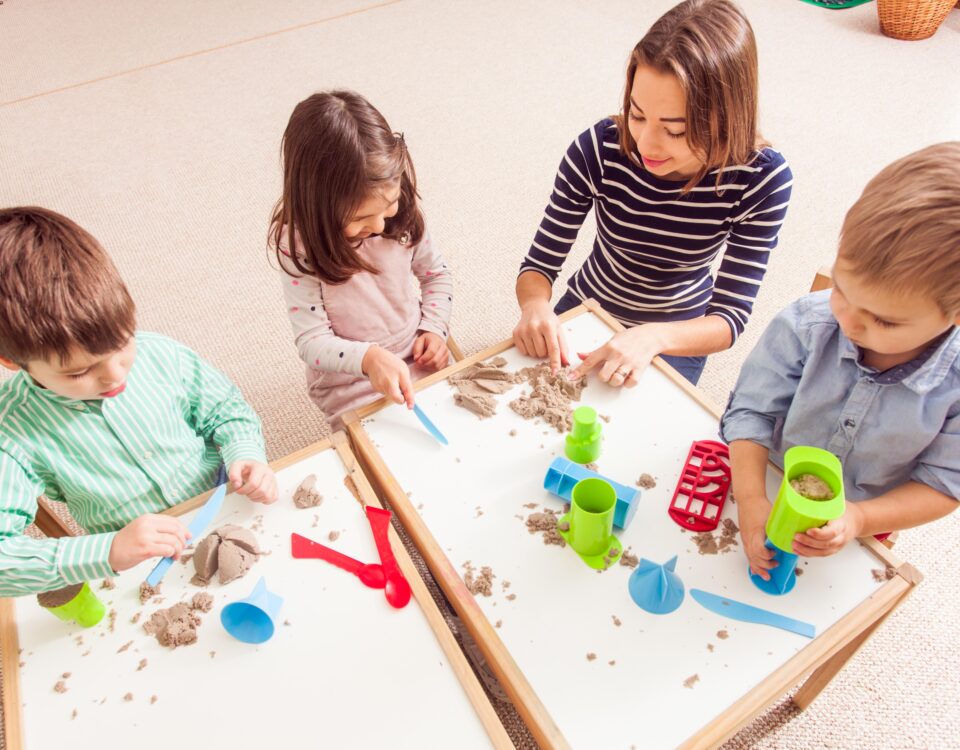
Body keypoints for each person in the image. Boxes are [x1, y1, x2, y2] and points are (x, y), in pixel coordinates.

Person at [0, 208, 277, 597]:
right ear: (13, 362)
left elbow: (225, 409)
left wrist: (245, 451)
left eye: (122, 343)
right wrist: (107, 550)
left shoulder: (160, 354)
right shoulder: (10, 430)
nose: (115, 375)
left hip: (226, 502)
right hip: (138, 562)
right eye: (79, 372)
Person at [513, 0, 792, 386]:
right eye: (637, 114)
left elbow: (729, 317)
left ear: (728, 117)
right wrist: (535, 305)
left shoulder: (762, 179)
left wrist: (652, 336)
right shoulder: (600, 147)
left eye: (675, 130)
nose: (645, 144)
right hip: (589, 307)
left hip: (677, 333)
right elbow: (539, 265)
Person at [721, 142, 960, 580]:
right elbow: (751, 412)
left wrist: (860, 520)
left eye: (884, 321)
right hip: (766, 474)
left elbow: (945, 484)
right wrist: (753, 500)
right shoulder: (808, 323)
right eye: (843, 290)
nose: (849, 322)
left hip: (867, 515)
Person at [272, 90, 452, 429]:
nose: (380, 224)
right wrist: (368, 358)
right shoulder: (299, 246)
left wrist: (435, 329)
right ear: (318, 207)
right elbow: (311, 340)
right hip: (351, 378)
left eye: (388, 205)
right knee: (384, 447)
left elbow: (436, 276)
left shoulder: (402, 217)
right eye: (361, 217)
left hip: (417, 349)